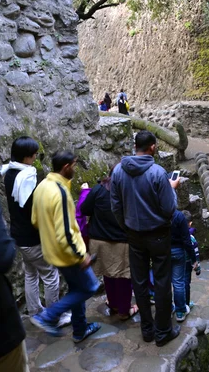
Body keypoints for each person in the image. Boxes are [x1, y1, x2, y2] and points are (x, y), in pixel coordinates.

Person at [110, 130, 179, 347]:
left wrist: (127, 227)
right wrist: (172, 189)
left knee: (138, 282)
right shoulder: (158, 173)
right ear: (152, 147)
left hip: (134, 235)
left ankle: (147, 330)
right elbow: (170, 208)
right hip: (158, 234)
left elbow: (116, 207)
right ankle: (163, 331)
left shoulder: (118, 171)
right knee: (161, 281)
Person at [31, 151, 101, 342]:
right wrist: (82, 256)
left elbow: (35, 220)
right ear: (66, 167)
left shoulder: (42, 186)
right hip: (68, 255)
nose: (76, 168)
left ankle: (79, 330)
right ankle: (47, 316)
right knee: (90, 287)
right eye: (74, 165)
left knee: (75, 289)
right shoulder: (60, 193)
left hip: (53, 252)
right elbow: (66, 235)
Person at [2, 137, 66, 325]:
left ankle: (35, 311)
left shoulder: (10, 172)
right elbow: (34, 210)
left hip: (18, 235)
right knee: (50, 274)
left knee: (31, 273)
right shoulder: (27, 178)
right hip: (32, 237)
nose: (36, 156)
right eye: (34, 154)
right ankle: (54, 316)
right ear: (26, 157)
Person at [80, 169, 138, 321]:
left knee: (108, 273)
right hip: (121, 241)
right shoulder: (128, 191)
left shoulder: (99, 189)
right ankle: (124, 310)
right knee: (123, 277)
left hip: (99, 240)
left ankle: (113, 304)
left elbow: (85, 209)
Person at [0, 184, 28, 372]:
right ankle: (53, 314)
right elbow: (0, 255)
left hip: (26, 241)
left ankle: (39, 310)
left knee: (32, 275)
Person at [170, 209, 196, 322]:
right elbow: (187, 241)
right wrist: (194, 259)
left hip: (162, 251)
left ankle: (168, 309)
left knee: (164, 282)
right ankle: (180, 311)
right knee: (179, 282)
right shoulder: (178, 216)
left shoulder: (157, 213)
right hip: (178, 251)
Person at [182, 211, 201, 310]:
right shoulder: (192, 238)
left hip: (177, 262)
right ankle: (186, 304)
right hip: (188, 263)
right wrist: (198, 268)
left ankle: (179, 305)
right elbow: (196, 254)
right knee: (186, 283)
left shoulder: (175, 235)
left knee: (177, 283)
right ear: (190, 223)